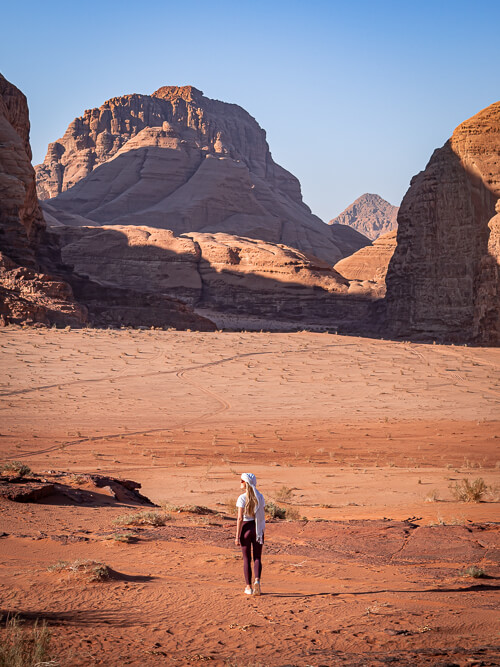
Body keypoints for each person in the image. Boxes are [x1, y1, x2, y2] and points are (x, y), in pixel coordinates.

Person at [235, 472, 265, 595]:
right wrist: (262, 531)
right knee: (257, 557)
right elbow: (262, 515)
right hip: (258, 528)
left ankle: (248, 587)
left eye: (241, 481)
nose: (240, 483)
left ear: (246, 483)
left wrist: (237, 536)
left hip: (246, 528)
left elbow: (240, 518)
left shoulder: (242, 498)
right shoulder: (260, 497)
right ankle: (257, 581)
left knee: (246, 559)